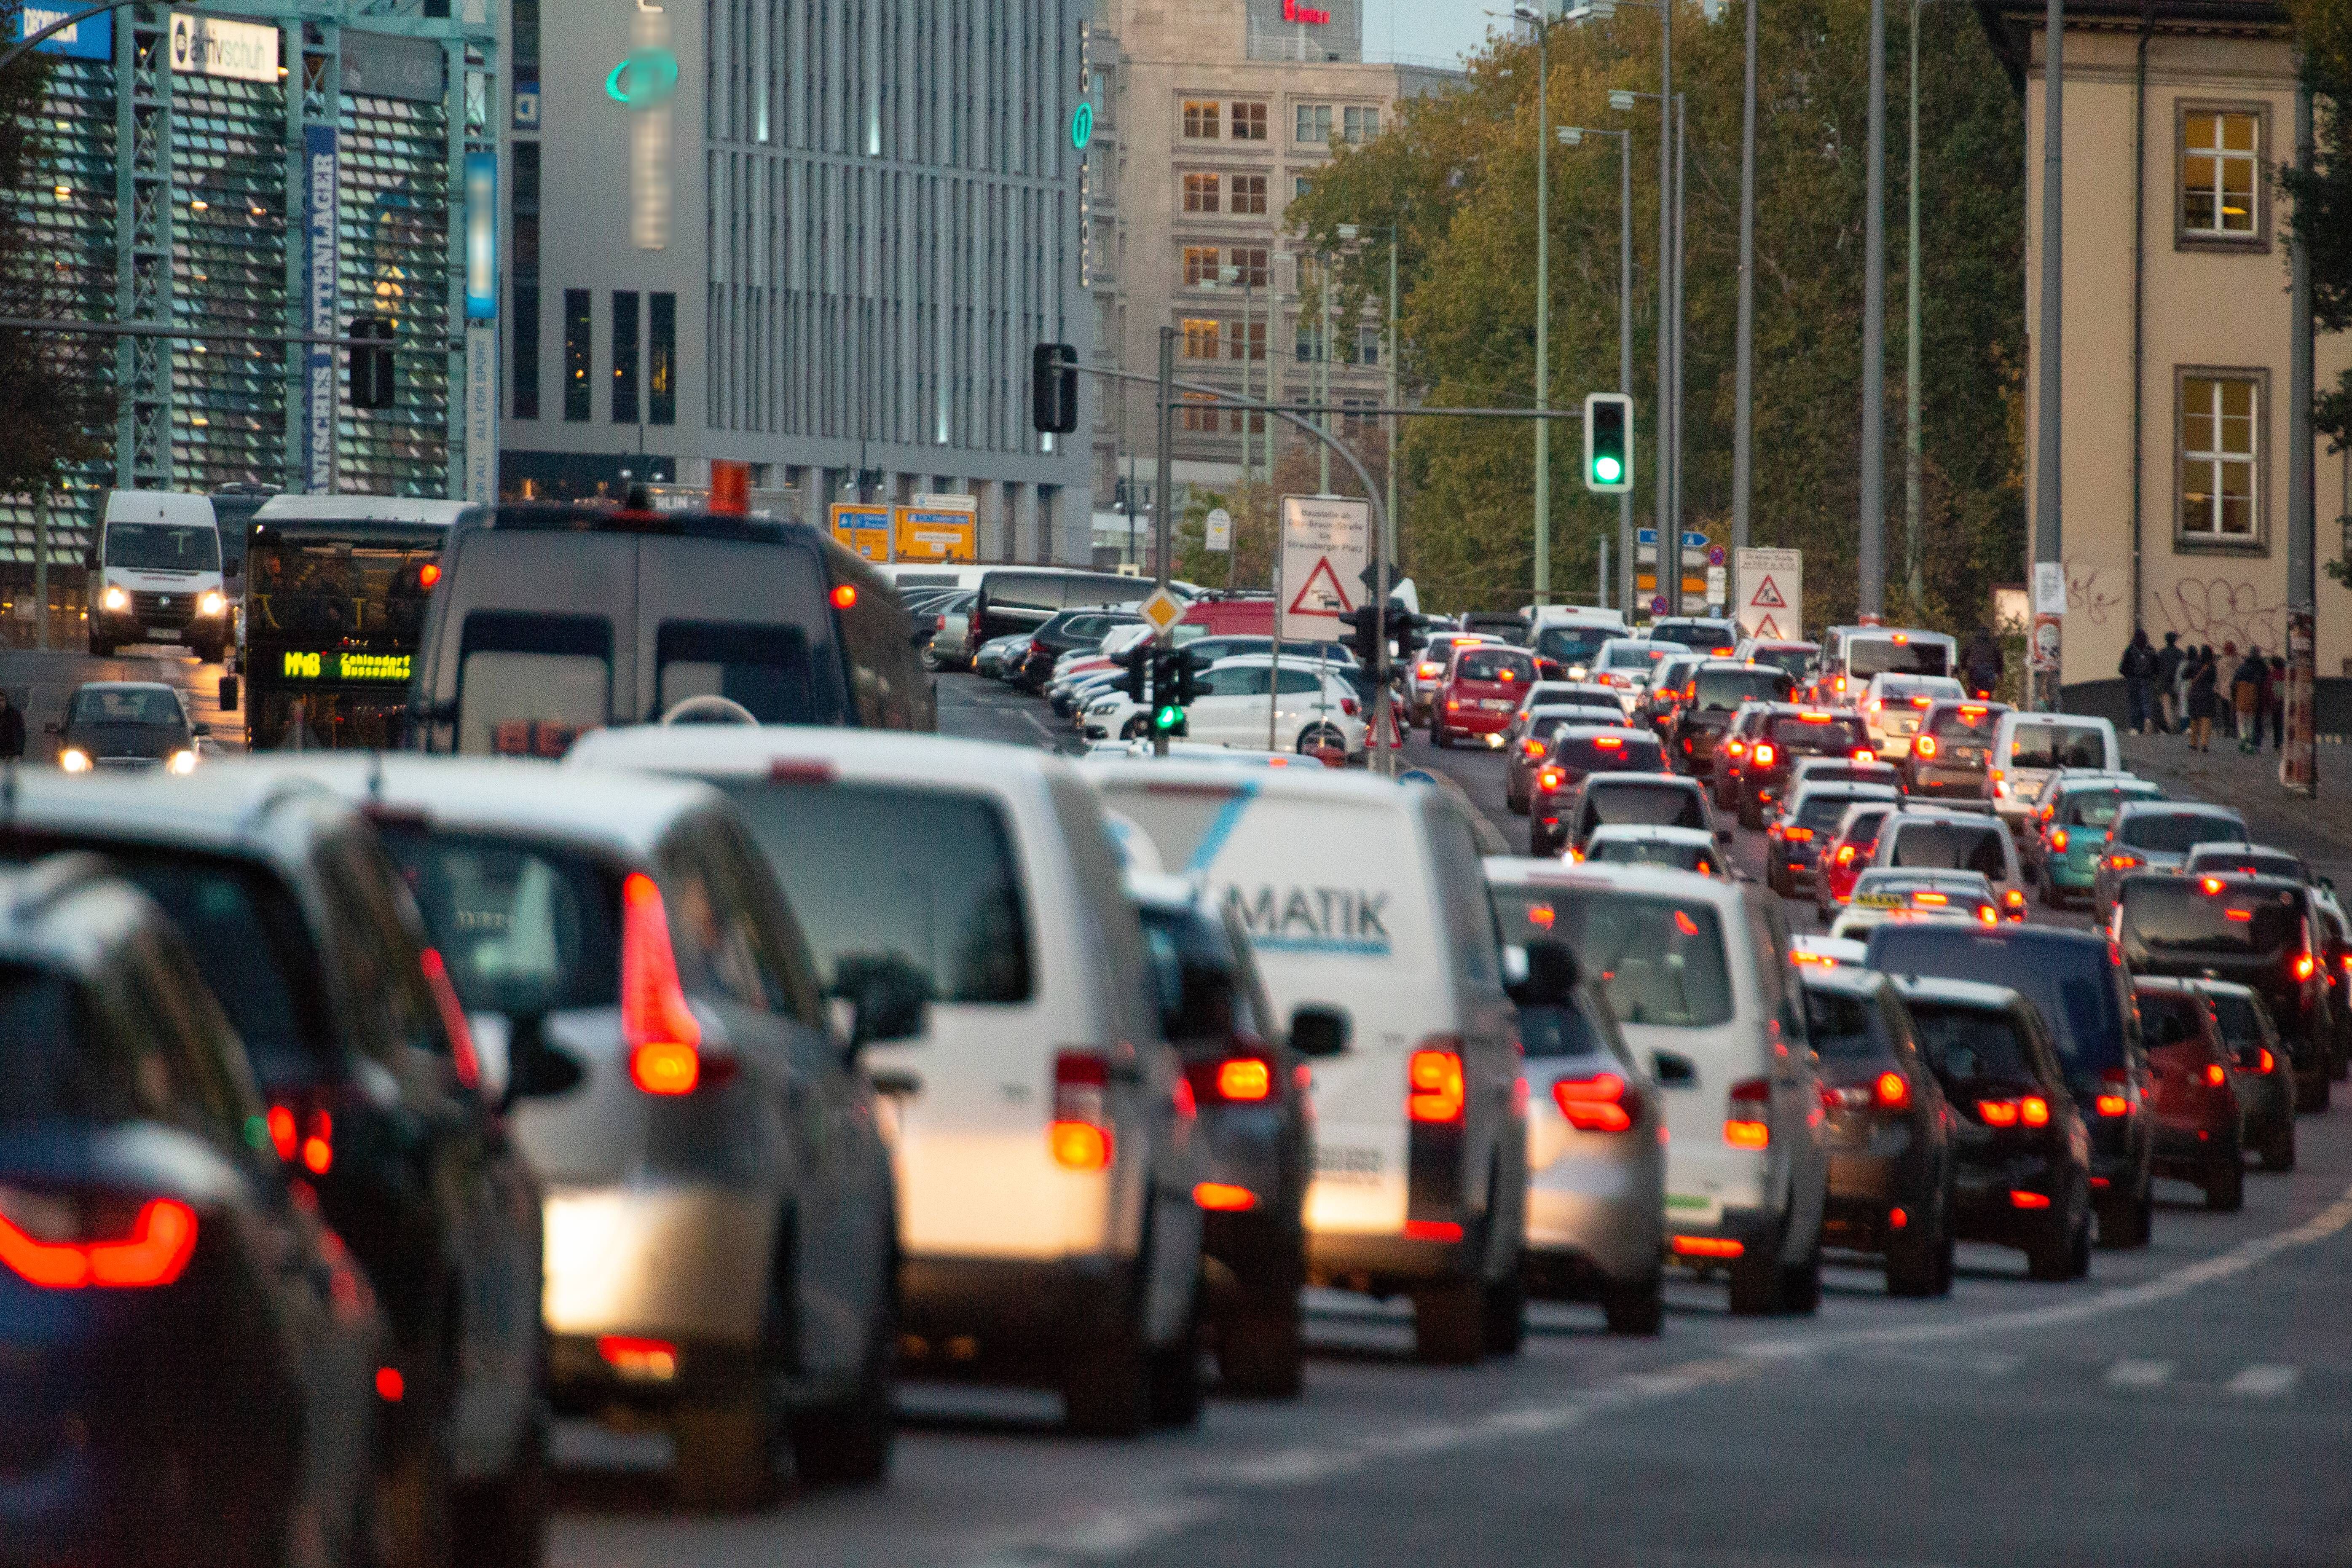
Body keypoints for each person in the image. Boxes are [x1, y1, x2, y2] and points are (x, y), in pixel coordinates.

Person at [2119, 629, 2159, 735]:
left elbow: (2123, 668)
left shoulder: (2131, 650)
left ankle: (2135, 727)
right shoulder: (2150, 650)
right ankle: (2148, 720)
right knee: (2146, 702)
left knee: (2134, 703)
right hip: (2147, 680)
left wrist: (2129, 676)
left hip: (2133, 681)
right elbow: (2157, 666)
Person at [2232, 644, 2266, 753]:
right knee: (2253, 723)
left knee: (2241, 722)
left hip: (2241, 699)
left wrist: (2234, 698)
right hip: (2256, 699)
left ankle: (2244, 738)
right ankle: (2253, 744)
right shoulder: (2263, 668)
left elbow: (2234, 684)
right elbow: (2266, 684)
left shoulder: (2243, 668)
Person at [2187, 645, 2219, 751]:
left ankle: (2193, 743)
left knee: (2194, 719)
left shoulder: (2194, 664)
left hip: (2194, 694)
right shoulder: (2212, 666)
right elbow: (2213, 680)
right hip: (2207, 695)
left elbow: (2184, 675)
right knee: (2206, 718)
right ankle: (2204, 743)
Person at [1961, 626, 2003, 701]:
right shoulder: (1993, 644)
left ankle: (1973, 700)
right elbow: (2000, 659)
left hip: (1975, 673)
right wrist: (2000, 672)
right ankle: (1989, 700)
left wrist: (1964, 667)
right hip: (1989, 674)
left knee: (1972, 689)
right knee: (1990, 691)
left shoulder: (1972, 643)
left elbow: (1963, 656)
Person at [2154, 631, 2184, 734]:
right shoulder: (2180, 654)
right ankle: (2177, 725)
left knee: (2167, 706)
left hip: (2165, 683)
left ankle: (2170, 726)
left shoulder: (2161, 654)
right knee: (2178, 705)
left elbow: (2157, 669)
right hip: (2178, 683)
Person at [2269, 654, 2289, 751]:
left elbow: (2272, 689)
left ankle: (2278, 743)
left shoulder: (2273, 675)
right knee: (2282, 723)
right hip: (2285, 702)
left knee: (2277, 724)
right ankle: (2281, 743)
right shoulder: (2286, 674)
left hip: (2276, 702)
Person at [0, 689, 23, 762]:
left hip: (11, 753)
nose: (0, 703)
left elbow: (20, 734)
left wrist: (18, 753)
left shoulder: (14, 714)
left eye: (2, 701)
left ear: (6, 701)